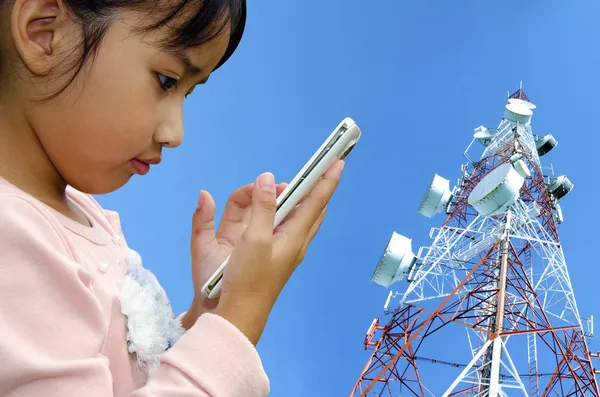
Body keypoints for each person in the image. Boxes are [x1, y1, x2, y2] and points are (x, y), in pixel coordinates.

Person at [0, 0, 345, 396]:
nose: (175, 133)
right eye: (167, 80)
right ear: (44, 32)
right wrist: (239, 317)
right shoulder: (10, 235)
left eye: (187, 93)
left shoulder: (82, 214)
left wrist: (210, 311)